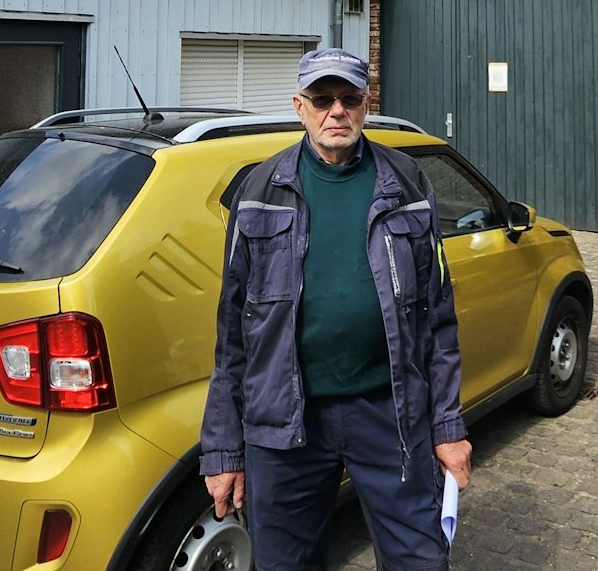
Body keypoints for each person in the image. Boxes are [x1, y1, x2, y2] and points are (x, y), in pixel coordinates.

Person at [200, 47, 472, 571]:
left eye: (349, 98)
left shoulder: (407, 182)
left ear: (367, 104)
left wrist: (448, 427)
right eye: (322, 99)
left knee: (420, 559)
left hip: (390, 412)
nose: (337, 111)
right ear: (299, 106)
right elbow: (233, 332)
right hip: (284, 421)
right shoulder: (260, 189)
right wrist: (223, 449)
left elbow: (438, 320)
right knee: (284, 564)